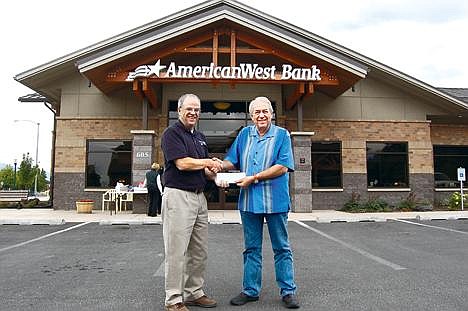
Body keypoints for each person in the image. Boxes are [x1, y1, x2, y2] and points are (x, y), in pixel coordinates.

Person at [217, 96, 300, 309]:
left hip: (276, 201)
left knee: (281, 247)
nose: (261, 115)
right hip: (249, 202)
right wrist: (217, 167)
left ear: (271, 114)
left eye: (265, 111)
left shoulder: (282, 135)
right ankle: (250, 290)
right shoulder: (245, 134)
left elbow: (282, 167)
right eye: (257, 112)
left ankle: (288, 291)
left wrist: (254, 177)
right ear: (252, 116)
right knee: (251, 248)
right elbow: (231, 160)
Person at [160, 93, 223, 311]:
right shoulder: (171, 133)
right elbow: (183, 164)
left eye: (196, 110)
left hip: (199, 197)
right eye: (189, 109)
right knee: (177, 251)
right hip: (178, 196)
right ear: (179, 110)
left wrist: (218, 176)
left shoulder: (200, 137)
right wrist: (208, 161)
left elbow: (203, 171)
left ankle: (193, 292)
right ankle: (174, 299)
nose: (193, 113)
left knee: (199, 251)